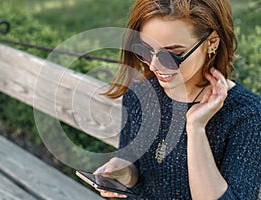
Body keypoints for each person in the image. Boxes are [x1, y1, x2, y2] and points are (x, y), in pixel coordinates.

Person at [94, 0, 261, 199]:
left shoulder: (246, 115)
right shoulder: (140, 92)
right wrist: (123, 173)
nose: (154, 65)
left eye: (172, 55)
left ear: (211, 43)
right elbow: (137, 172)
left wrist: (196, 128)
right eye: (145, 51)